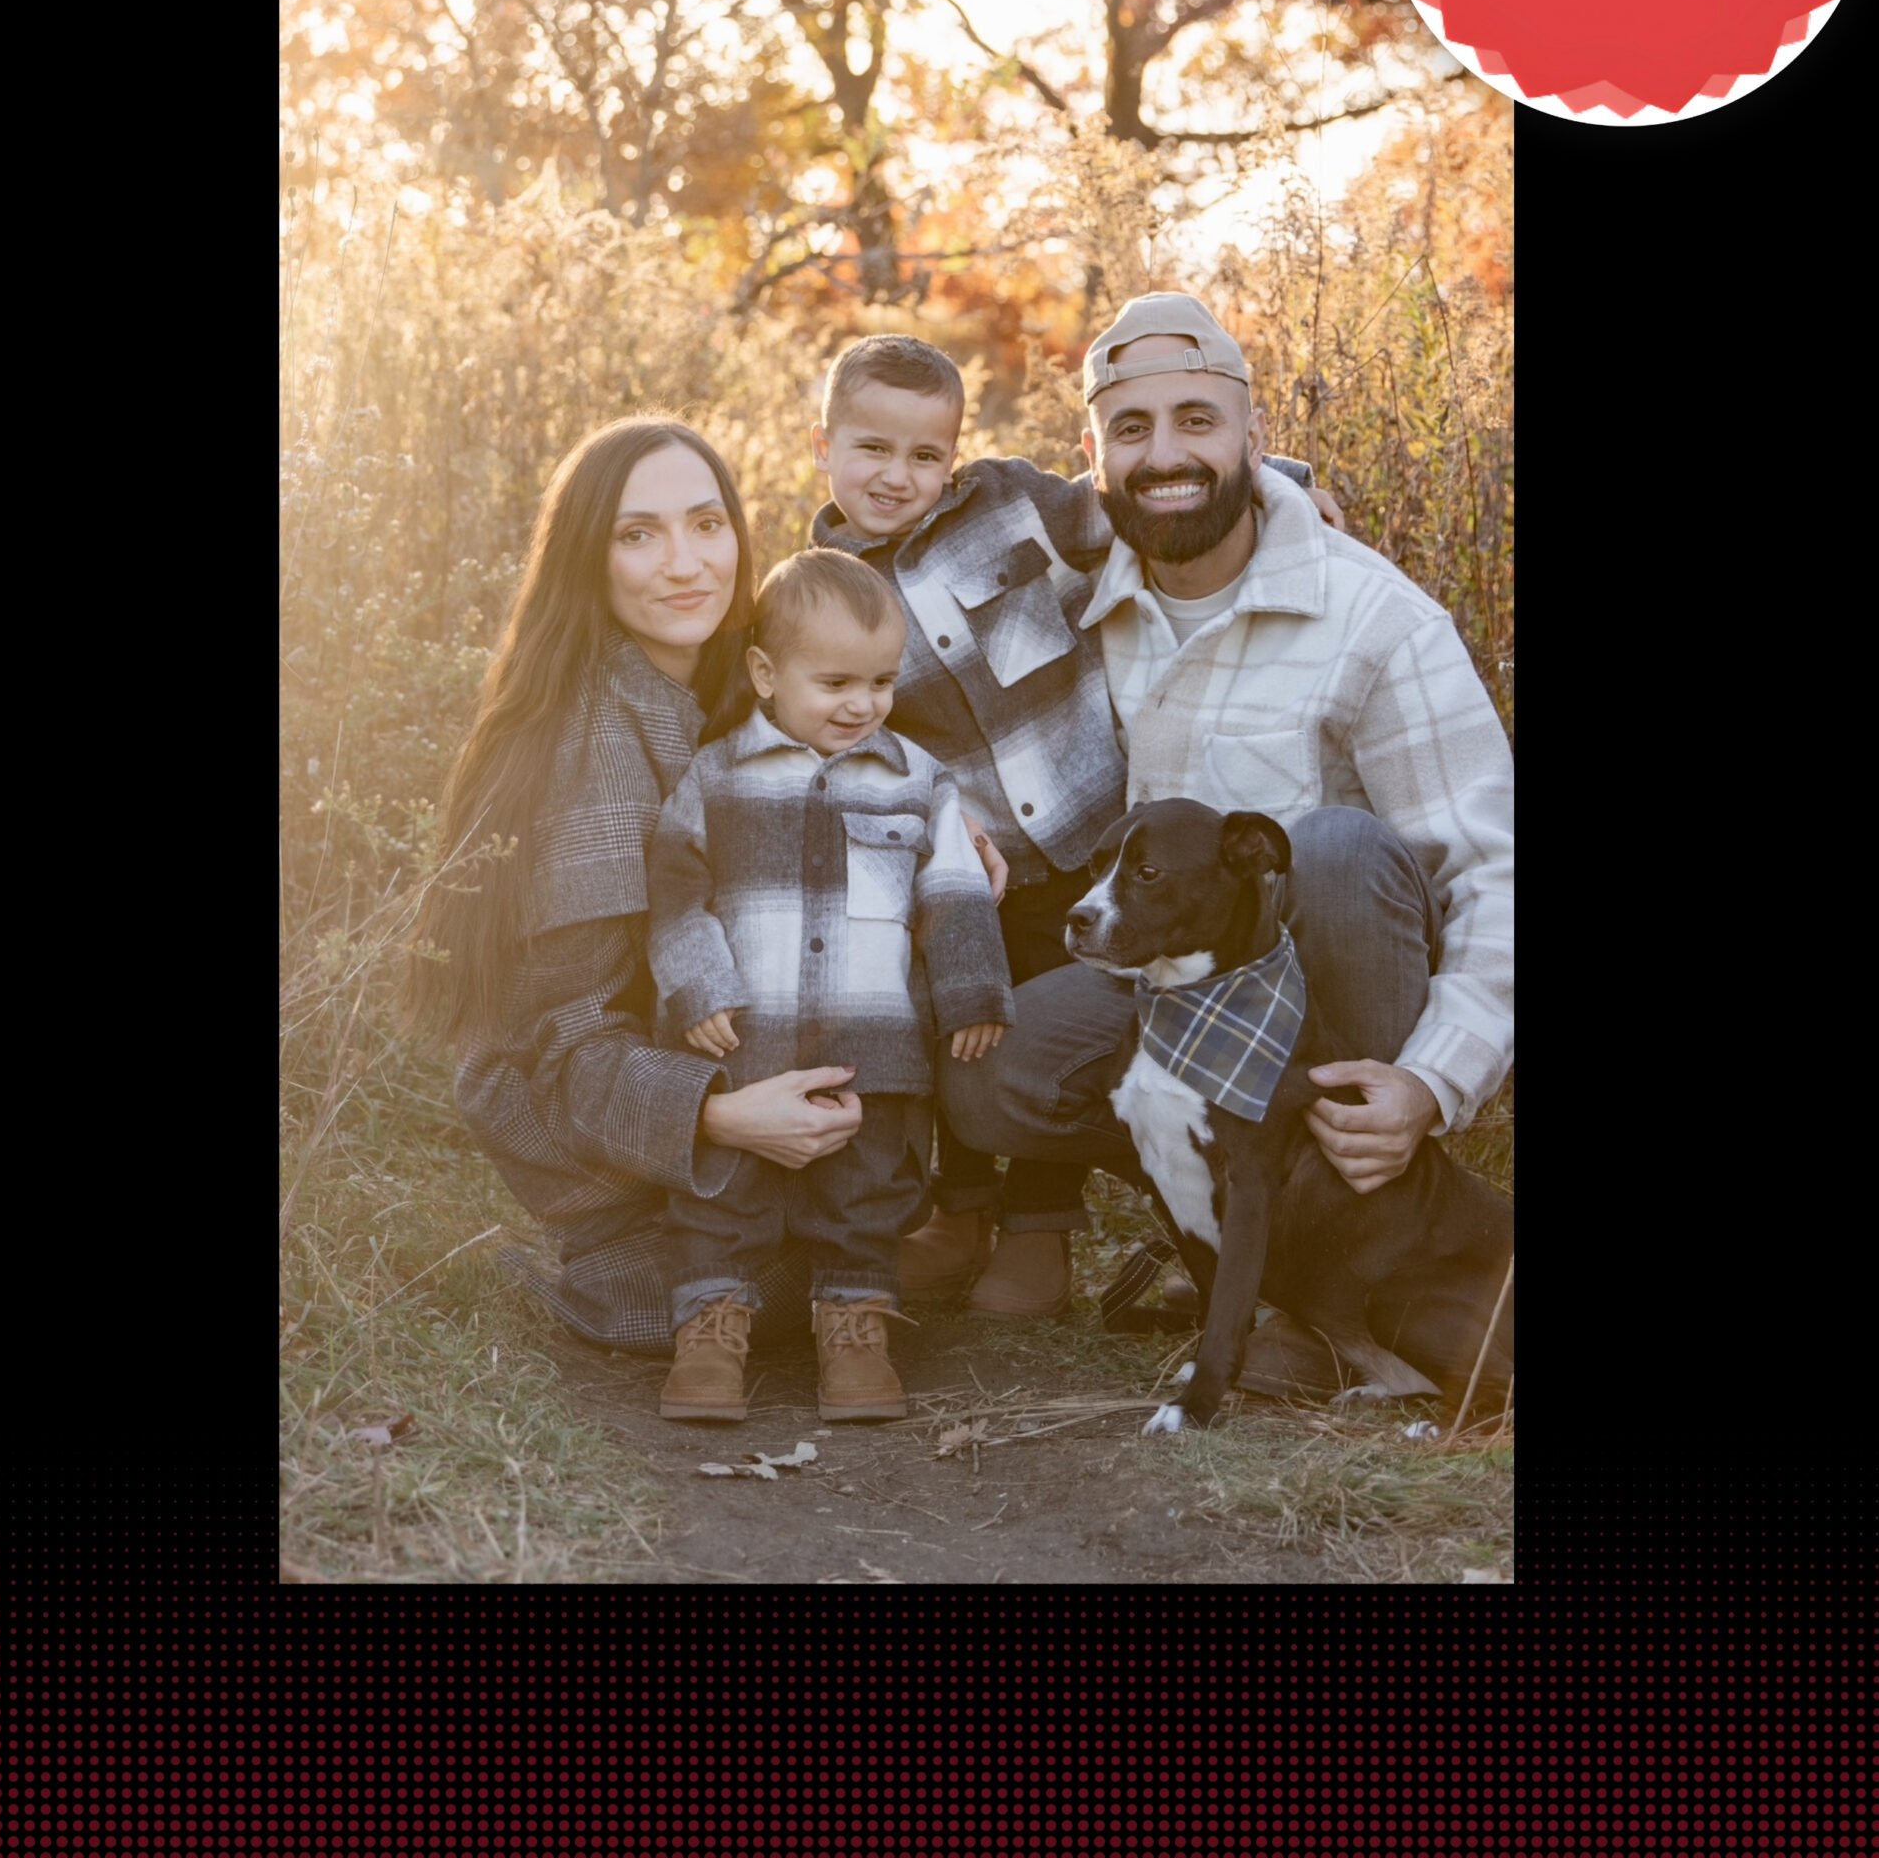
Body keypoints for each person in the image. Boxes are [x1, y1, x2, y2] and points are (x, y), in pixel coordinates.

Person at [934, 294, 1514, 1384]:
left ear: (1254, 435)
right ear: (1093, 460)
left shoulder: (1377, 620)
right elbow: (912, 588)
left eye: (1198, 420)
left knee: (1331, 849)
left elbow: (1495, 873)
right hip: (1164, 988)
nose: (1165, 455)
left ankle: (1346, 1251)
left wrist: (1433, 1082)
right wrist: (934, 805)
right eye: (1133, 428)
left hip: (1327, 1013)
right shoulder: (1066, 595)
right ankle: (1223, 1223)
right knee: (988, 1076)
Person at [804, 333, 1342, 1318]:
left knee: (1054, 1025)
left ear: (956, 454)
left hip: (1100, 841)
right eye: (871, 449)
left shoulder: (1014, 506)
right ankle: (957, 1214)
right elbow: (839, 735)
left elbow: (1137, 503)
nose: (896, 476)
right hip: (978, 866)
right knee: (964, 1017)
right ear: (822, 446)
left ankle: (1037, 1233)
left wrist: (1281, 488)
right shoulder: (826, 593)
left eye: (925, 454)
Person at [399, 418, 868, 1354]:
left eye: (707, 523)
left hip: (691, 1053)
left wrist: (953, 827)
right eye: (638, 534)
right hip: (594, 1130)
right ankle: (630, 1265)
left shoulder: (727, 678)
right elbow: (560, 1043)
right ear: (590, 559)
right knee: (817, 1284)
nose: (685, 564)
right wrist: (725, 1117)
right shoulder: (596, 756)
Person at [645, 550, 1012, 1422]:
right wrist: (698, 987)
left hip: (871, 1047)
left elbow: (953, 888)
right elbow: (675, 892)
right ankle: (710, 1330)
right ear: (766, 673)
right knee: (722, 1197)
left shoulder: (918, 780)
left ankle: (854, 1329)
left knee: (866, 1196)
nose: (863, 704)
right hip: (745, 1047)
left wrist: (971, 989)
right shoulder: (718, 776)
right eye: (836, 682)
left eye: (882, 681)